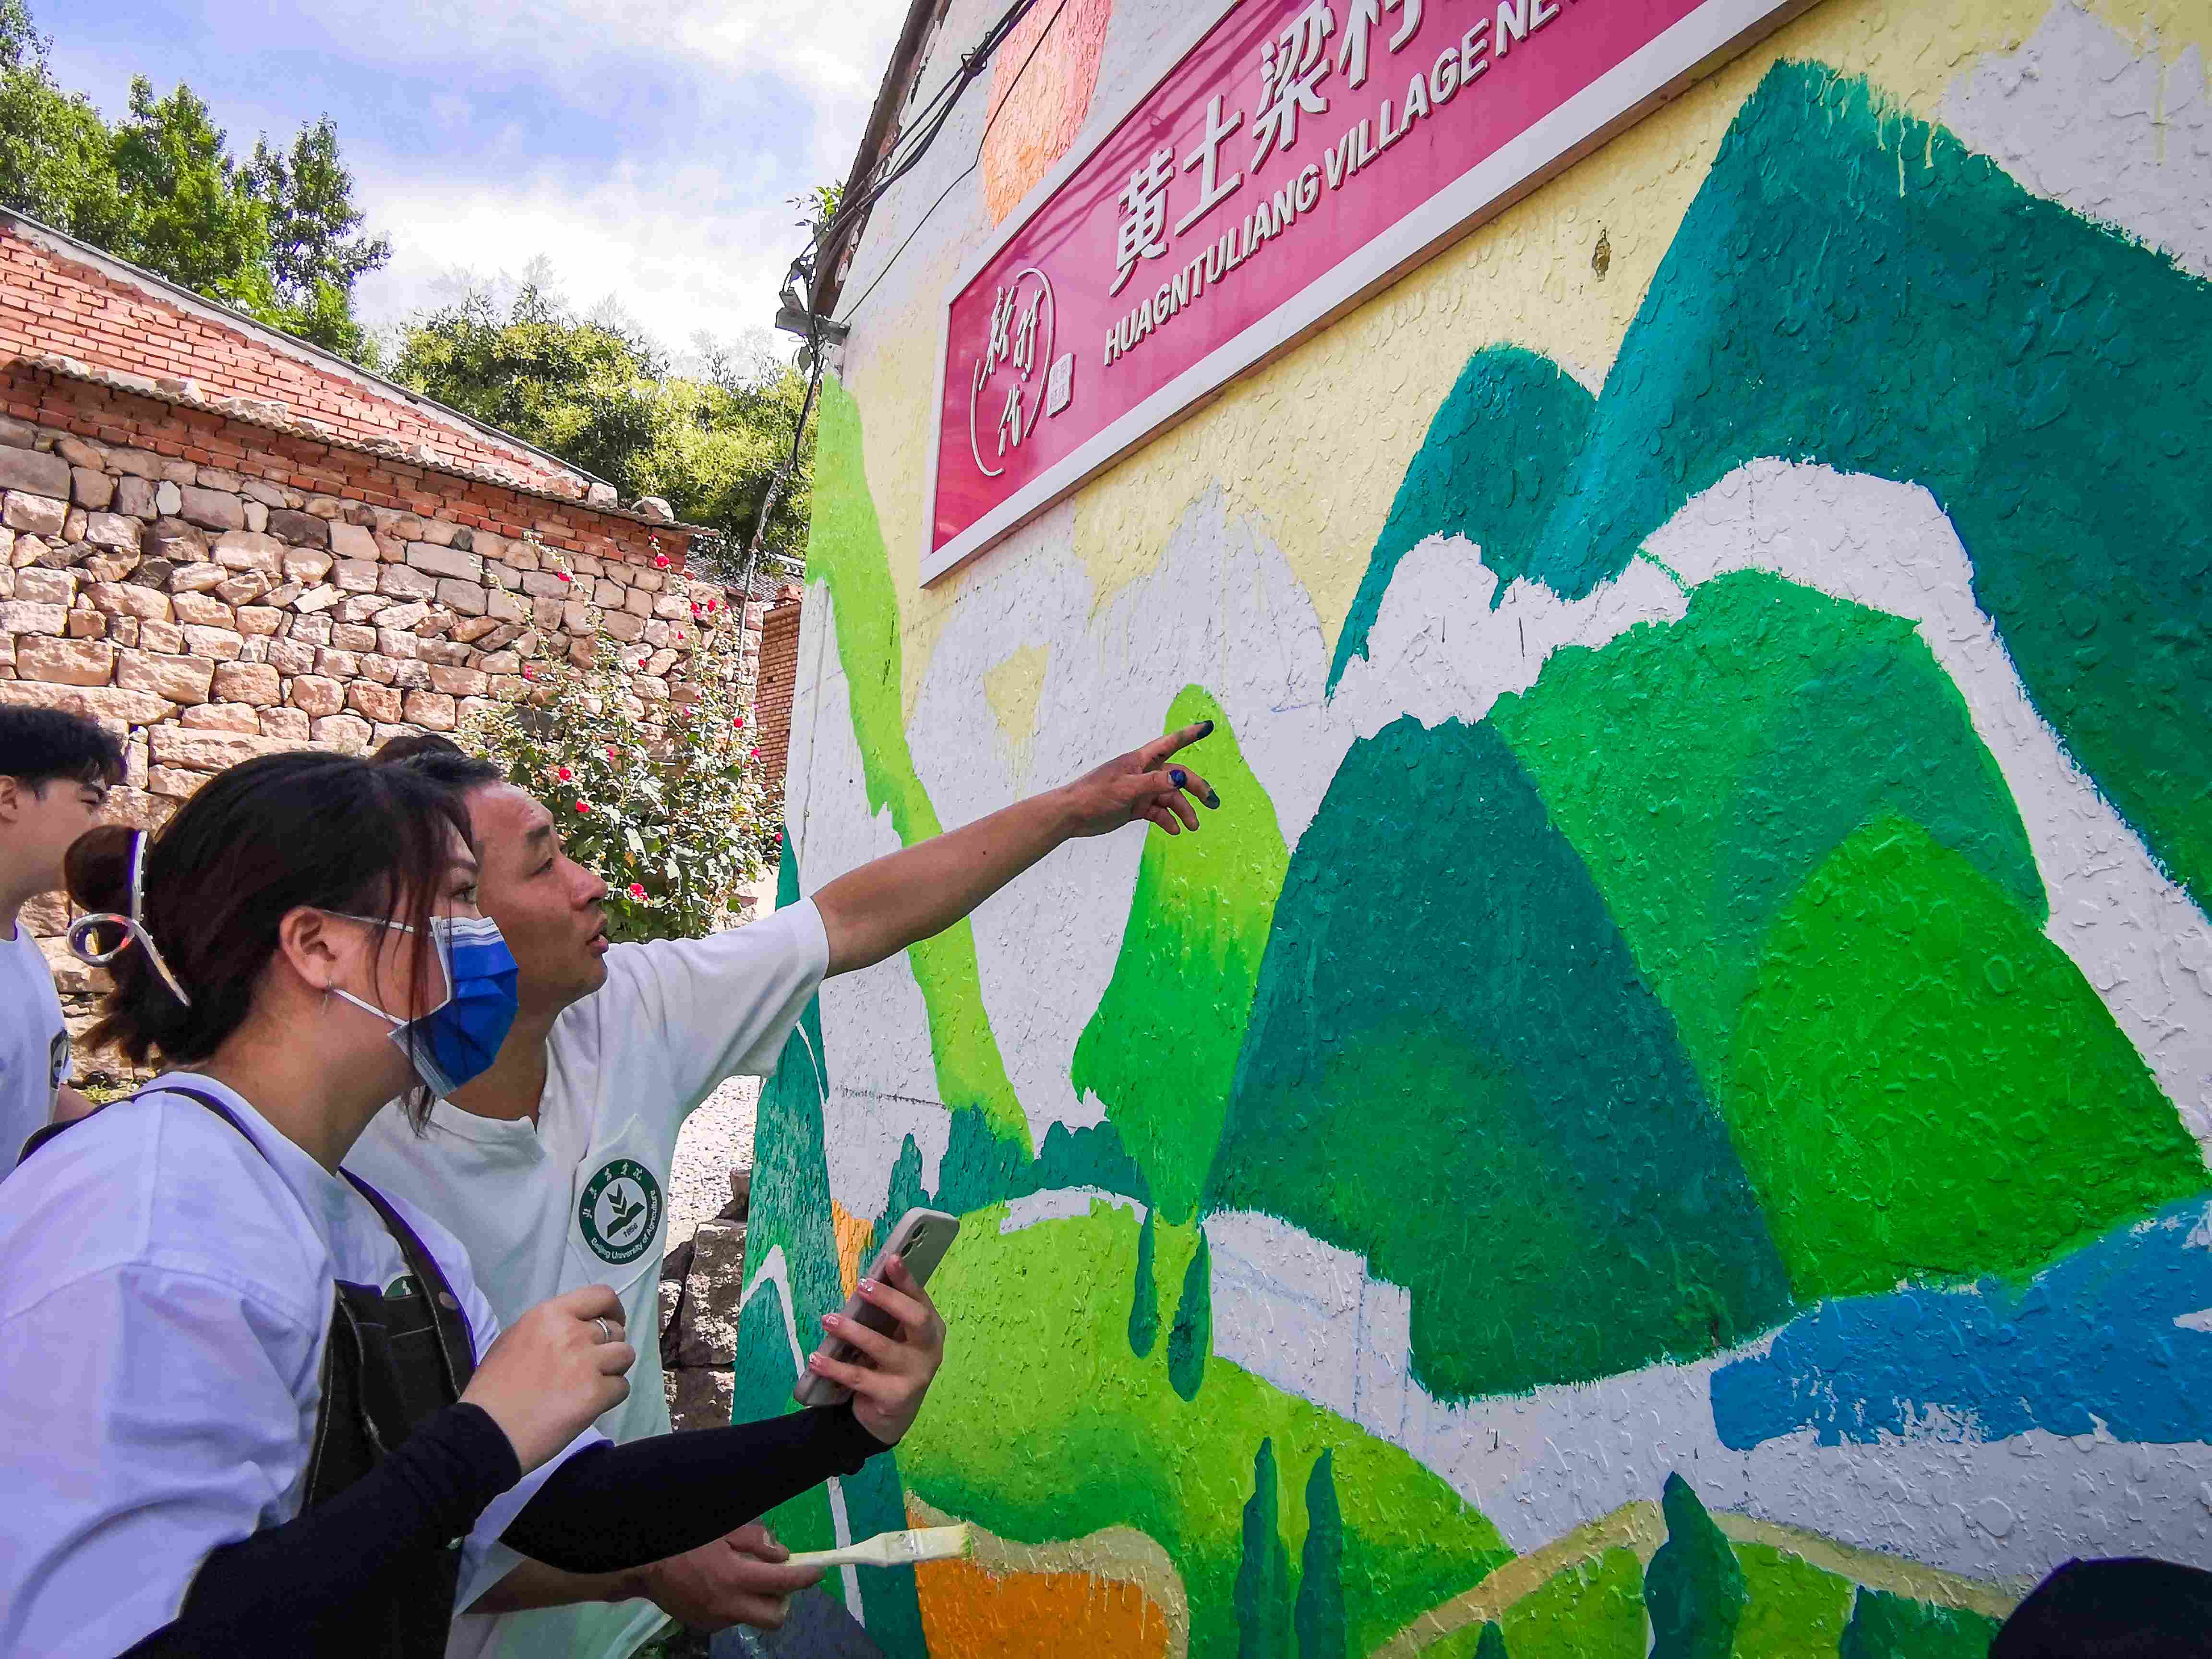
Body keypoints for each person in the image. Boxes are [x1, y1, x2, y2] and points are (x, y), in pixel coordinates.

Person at [0, 751, 945, 1658]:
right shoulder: (152, 1221)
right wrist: (478, 1440)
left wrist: (840, 1432)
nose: (485, 934)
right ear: (317, 945)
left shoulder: (365, 1223)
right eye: (457, 899)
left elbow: (567, 1510)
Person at [349, 722, 1221, 1657]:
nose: (591, 883)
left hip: (659, 1625)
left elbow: (850, 919)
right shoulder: (352, 1153)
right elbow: (367, 1532)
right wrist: (640, 1561)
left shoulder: (628, 1009)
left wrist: (1070, 808)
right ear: (446, 922)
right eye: (546, 865)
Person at [0, 706, 122, 1160]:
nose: (99, 828)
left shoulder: (22, 947)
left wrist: (139, 1142)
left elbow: (42, 1097)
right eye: (89, 803)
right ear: (9, 798)